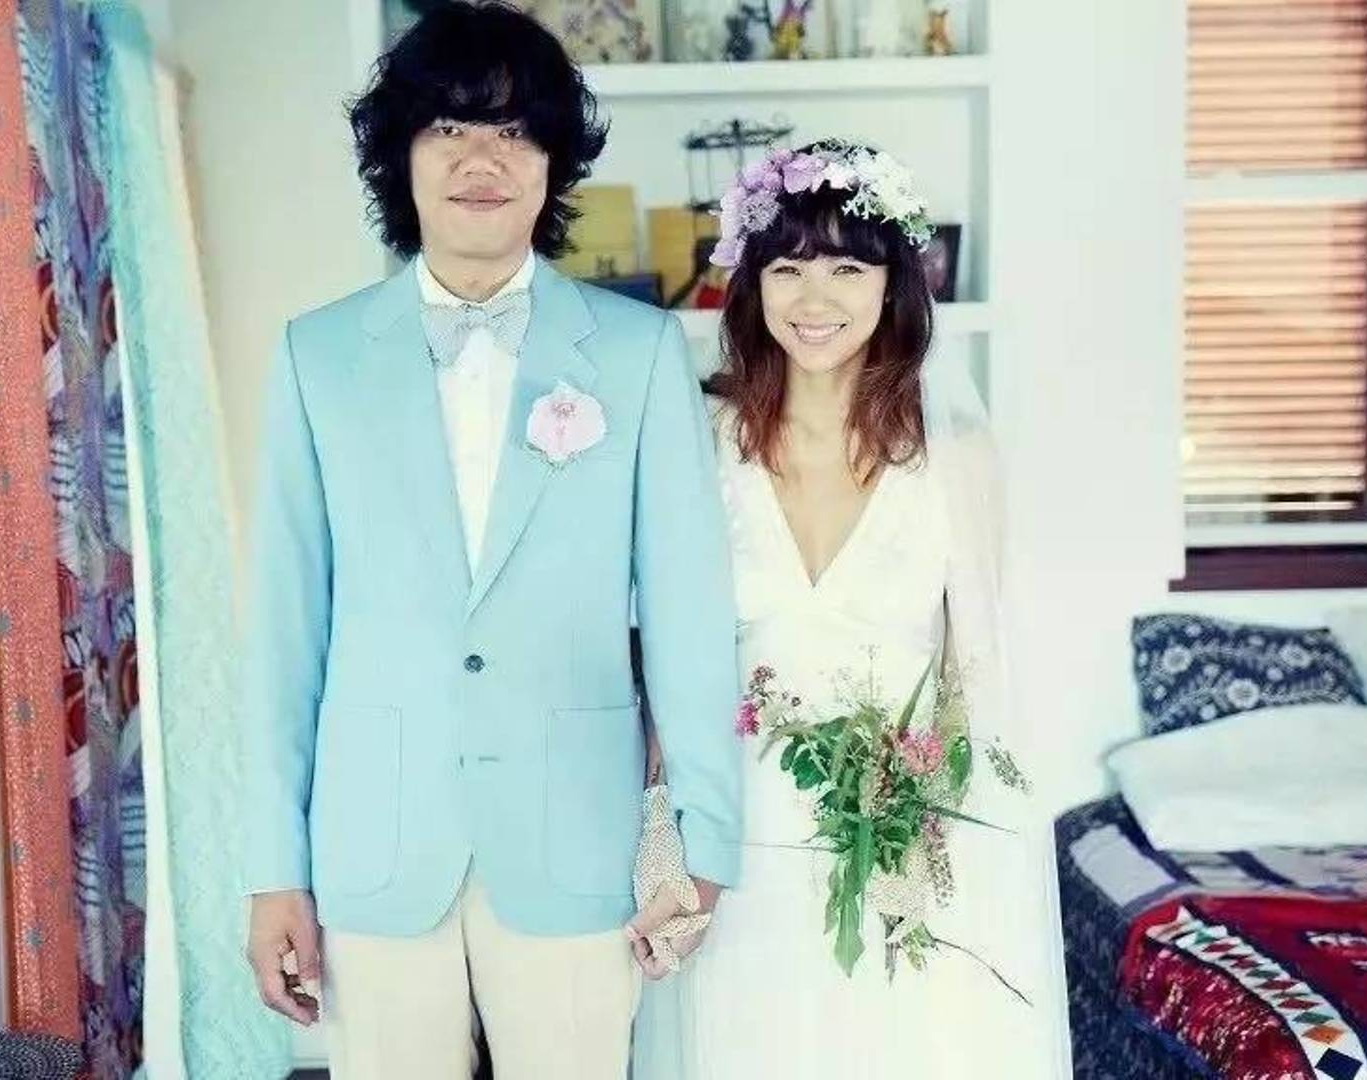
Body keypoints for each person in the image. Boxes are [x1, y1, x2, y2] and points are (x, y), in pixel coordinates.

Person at [236, 5, 742, 1077]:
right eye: (449, 128)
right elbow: (285, 633)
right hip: (376, 841)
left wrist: (704, 840)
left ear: (553, 163)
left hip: (576, 838)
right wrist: (273, 868)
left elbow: (691, 616)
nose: (482, 159)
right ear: (401, 155)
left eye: (514, 132)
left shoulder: (641, 352)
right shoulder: (317, 356)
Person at [630, 140, 1049, 1077]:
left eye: (847, 270)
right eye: (787, 268)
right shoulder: (702, 439)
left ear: (895, 284)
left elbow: (978, 672)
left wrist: (941, 841)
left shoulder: (956, 457)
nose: (814, 299)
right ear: (752, 285)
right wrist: (663, 827)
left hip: (899, 843)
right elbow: (669, 653)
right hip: (733, 840)